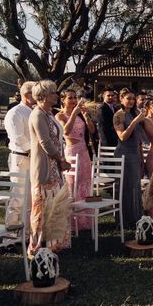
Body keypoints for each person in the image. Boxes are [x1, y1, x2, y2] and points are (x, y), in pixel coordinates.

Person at [28, 80, 71, 254]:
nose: (57, 95)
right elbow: (45, 142)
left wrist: (61, 159)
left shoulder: (49, 114)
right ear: (44, 96)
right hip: (46, 168)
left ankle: (54, 243)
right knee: (43, 208)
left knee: (56, 206)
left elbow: (58, 139)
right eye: (53, 92)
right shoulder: (37, 114)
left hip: (56, 168)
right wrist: (60, 159)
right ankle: (38, 245)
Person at [56, 89, 96, 231]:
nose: (73, 100)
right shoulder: (60, 115)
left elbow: (91, 130)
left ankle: (85, 220)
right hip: (71, 152)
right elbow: (66, 131)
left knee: (84, 183)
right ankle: (72, 221)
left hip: (84, 152)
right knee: (72, 184)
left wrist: (86, 117)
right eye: (70, 98)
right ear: (63, 100)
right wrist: (73, 113)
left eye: (74, 98)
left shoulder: (79, 115)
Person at [3, 81, 36, 230]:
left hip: (34, 158)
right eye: (36, 93)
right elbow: (18, 138)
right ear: (27, 95)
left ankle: (26, 234)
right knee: (17, 197)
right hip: (21, 158)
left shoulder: (34, 111)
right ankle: (9, 236)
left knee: (30, 198)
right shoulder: (15, 113)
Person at [113, 88, 147, 228]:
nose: (132, 101)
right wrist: (135, 121)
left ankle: (136, 217)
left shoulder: (134, 113)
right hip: (123, 153)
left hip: (135, 153)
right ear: (121, 99)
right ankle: (124, 219)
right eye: (128, 98)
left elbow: (138, 138)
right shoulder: (118, 115)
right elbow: (122, 136)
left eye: (133, 99)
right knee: (125, 187)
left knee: (135, 186)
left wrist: (141, 155)